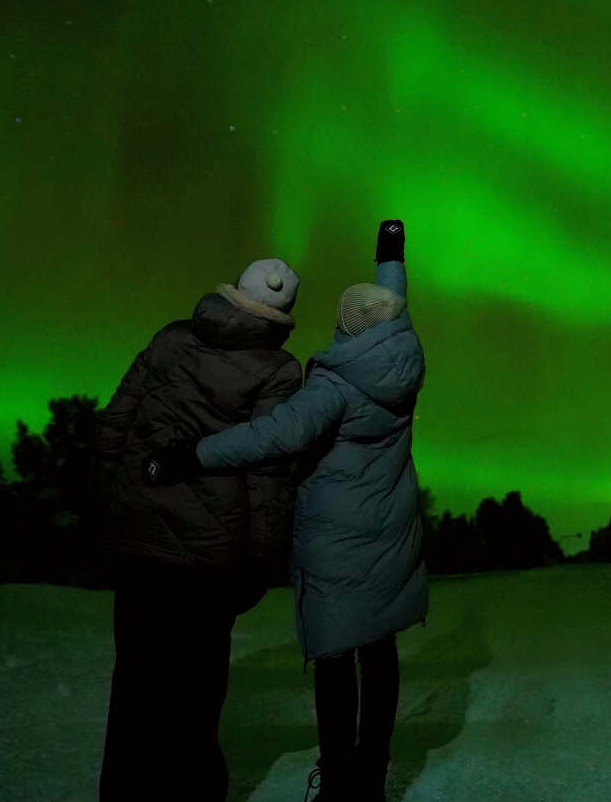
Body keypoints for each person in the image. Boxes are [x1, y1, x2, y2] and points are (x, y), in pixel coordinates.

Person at [142, 219, 426, 802]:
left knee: (334, 656)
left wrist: (190, 455)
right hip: (391, 530)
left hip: (337, 540)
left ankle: (339, 786)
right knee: (379, 649)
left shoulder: (335, 388)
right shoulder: (399, 356)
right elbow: (391, 299)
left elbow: (269, 436)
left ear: (345, 327)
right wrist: (391, 253)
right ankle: (371, 780)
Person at [93, 254, 306, 801]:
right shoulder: (279, 371)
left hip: (141, 542)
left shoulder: (171, 339)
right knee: (196, 695)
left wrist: (113, 509)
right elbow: (268, 473)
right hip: (211, 559)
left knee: (134, 687)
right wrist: (262, 561)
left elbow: (115, 424)